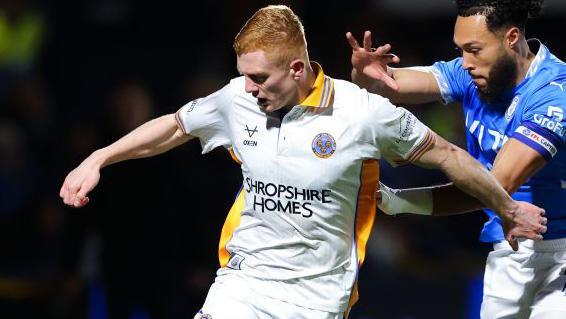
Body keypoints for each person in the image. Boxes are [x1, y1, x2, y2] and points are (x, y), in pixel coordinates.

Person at [60, 5, 545, 319]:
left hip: (316, 302)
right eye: (242, 77)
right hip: (243, 286)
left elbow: (449, 156)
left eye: (258, 78)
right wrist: (98, 159)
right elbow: (171, 127)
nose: (248, 89)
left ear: (297, 68)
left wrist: (507, 208)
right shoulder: (238, 99)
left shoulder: (363, 113)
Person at [347, 0, 565, 318]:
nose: (464, 62)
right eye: (460, 49)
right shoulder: (472, 73)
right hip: (509, 251)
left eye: (473, 49)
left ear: (512, 38)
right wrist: (365, 74)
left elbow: (494, 186)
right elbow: (388, 84)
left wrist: (399, 201)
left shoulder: (554, 94)